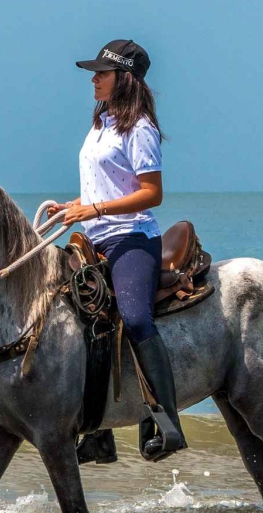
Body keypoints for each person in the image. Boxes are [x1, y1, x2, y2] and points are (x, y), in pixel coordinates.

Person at [46, 39, 187, 462]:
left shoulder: (139, 128)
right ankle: (97, 430)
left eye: (101, 73)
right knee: (73, 315)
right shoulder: (100, 123)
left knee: (135, 316)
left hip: (132, 236)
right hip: (93, 236)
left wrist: (96, 208)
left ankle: (167, 423)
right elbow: (103, 186)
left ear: (123, 78)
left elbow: (151, 194)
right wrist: (75, 206)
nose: (93, 79)